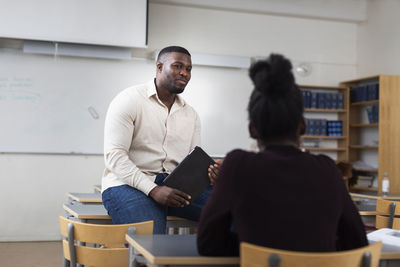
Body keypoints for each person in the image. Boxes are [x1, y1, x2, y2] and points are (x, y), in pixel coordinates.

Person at [196, 54, 368, 256]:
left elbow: (208, 243)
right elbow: (357, 242)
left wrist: (255, 249)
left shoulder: (238, 165)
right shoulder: (327, 169)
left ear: (252, 129)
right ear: (303, 125)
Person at [101, 46, 220, 234]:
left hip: (176, 185)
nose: (184, 73)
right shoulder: (129, 100)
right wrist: (154, 190)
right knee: (150, 241)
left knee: (236, 211)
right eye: (177, 66)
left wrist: (209, 176)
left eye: (188, 69)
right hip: (128, 184)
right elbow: (115, 157)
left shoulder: (191, 114)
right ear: (159, 67)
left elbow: (191, 161)